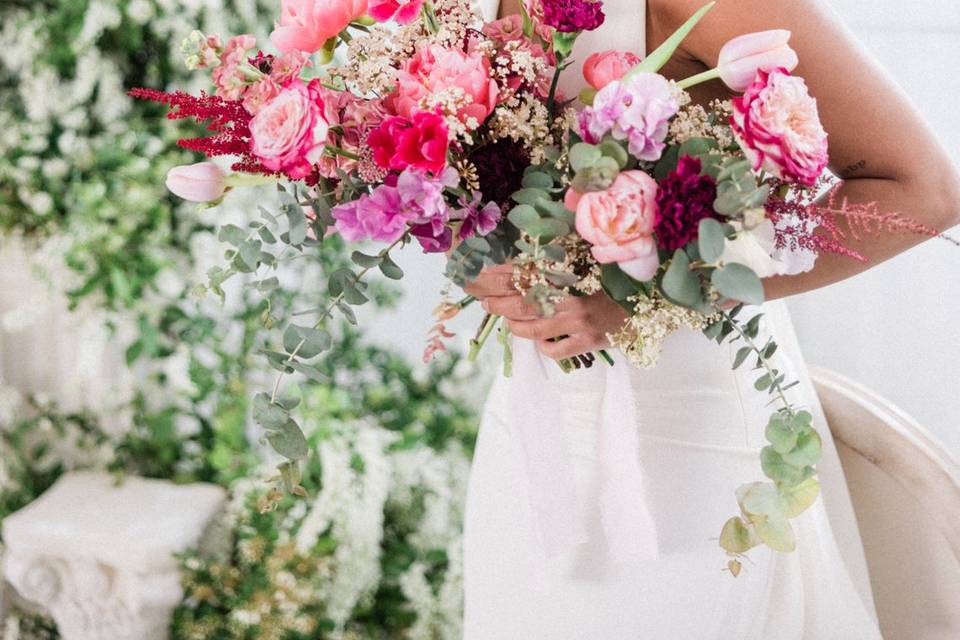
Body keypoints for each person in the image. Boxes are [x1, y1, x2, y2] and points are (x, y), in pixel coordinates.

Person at [462, 0, 960, 637]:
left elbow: (922, 189)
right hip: (530, 428)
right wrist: (475, 252)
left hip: (691, 443)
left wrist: (656, 294)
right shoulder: (451, 11)